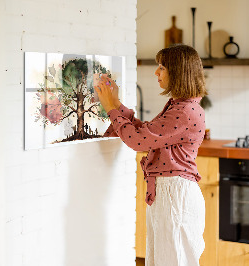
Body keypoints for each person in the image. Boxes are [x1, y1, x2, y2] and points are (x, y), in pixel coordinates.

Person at [95, 44, 207, 266]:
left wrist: (110, 108)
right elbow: (146, 133)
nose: (156, 72)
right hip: (170, 193)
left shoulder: (184, 111)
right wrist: (116, 103)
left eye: (162, 67)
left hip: (175, 195)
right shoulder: (180, 106)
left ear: (178, 72)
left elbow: (138, 141)